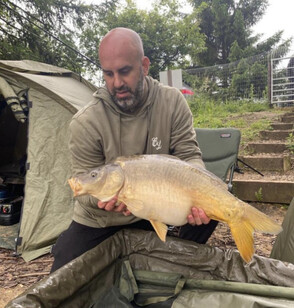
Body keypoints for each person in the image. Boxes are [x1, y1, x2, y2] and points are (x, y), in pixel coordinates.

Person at [51, 27, 218, 272]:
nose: (116, 83)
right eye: (108, 74)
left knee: (211, 211)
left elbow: (189, 156)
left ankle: (163, 266)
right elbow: (84, 189)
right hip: (101, 221)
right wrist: (102, 201)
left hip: (151, 212)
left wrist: (199, 195)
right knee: (64, 275)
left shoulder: (172, 102)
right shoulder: (85, 122)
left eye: (125, 71)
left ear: (145, 65)